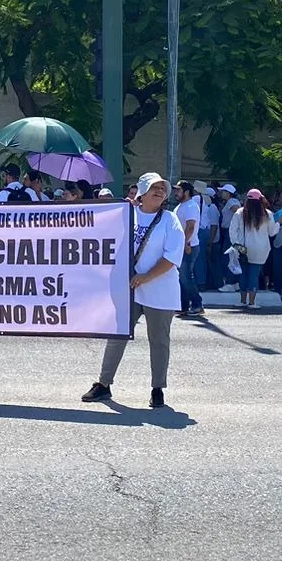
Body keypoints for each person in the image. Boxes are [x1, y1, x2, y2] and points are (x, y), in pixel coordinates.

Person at [83, 172, 184, 408]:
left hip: (160, 289)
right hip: (130, 287)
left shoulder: (170, 220)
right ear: (142, 192)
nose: (159, 191)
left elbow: (172, 257)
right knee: (117, 335)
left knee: (159, 341)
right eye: (154, 187)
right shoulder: (127, 215)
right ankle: (104, 383)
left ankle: (157, 388)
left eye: (162, 188)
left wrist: (146, 277)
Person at [229, 188, 278, 308]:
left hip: (243, 248)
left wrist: (236, 244)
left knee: (243, 274)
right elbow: (272, 232)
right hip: (261, 248)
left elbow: (232, 230)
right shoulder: (267, 214)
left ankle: (242, 300)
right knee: (254, 274)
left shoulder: (240, 213)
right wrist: (278, 224)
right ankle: (252, 302)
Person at [173, 181, 204, 316]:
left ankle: (197, 305)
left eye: (178, 190)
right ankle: (184, 306)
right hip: (183, 245)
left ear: (186, 192)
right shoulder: (182, 206)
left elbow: (190, 227)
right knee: (181, 277)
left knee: (186, 277)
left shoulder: (191, 206)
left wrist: (184, 244)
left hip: (188, 246)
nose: (176, 193)